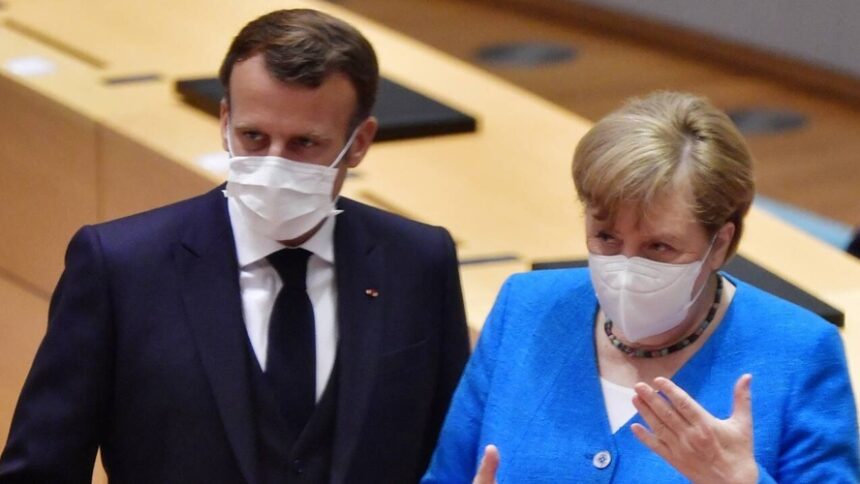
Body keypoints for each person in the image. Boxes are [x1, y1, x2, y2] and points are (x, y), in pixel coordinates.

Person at [0, 9, 470, 483]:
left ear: (360, 142)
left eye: (304, 143)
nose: (273, 163)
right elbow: (40, 469)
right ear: (225, 120)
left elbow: (452, 455)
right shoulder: (121, 267)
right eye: (253, 137)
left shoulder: (420, 262)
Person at [423, 91, 859, 482]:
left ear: (720, 244)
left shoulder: (799, 354)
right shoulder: (524, 308)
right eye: (606, 238)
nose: (627, 269)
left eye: (659, 247)